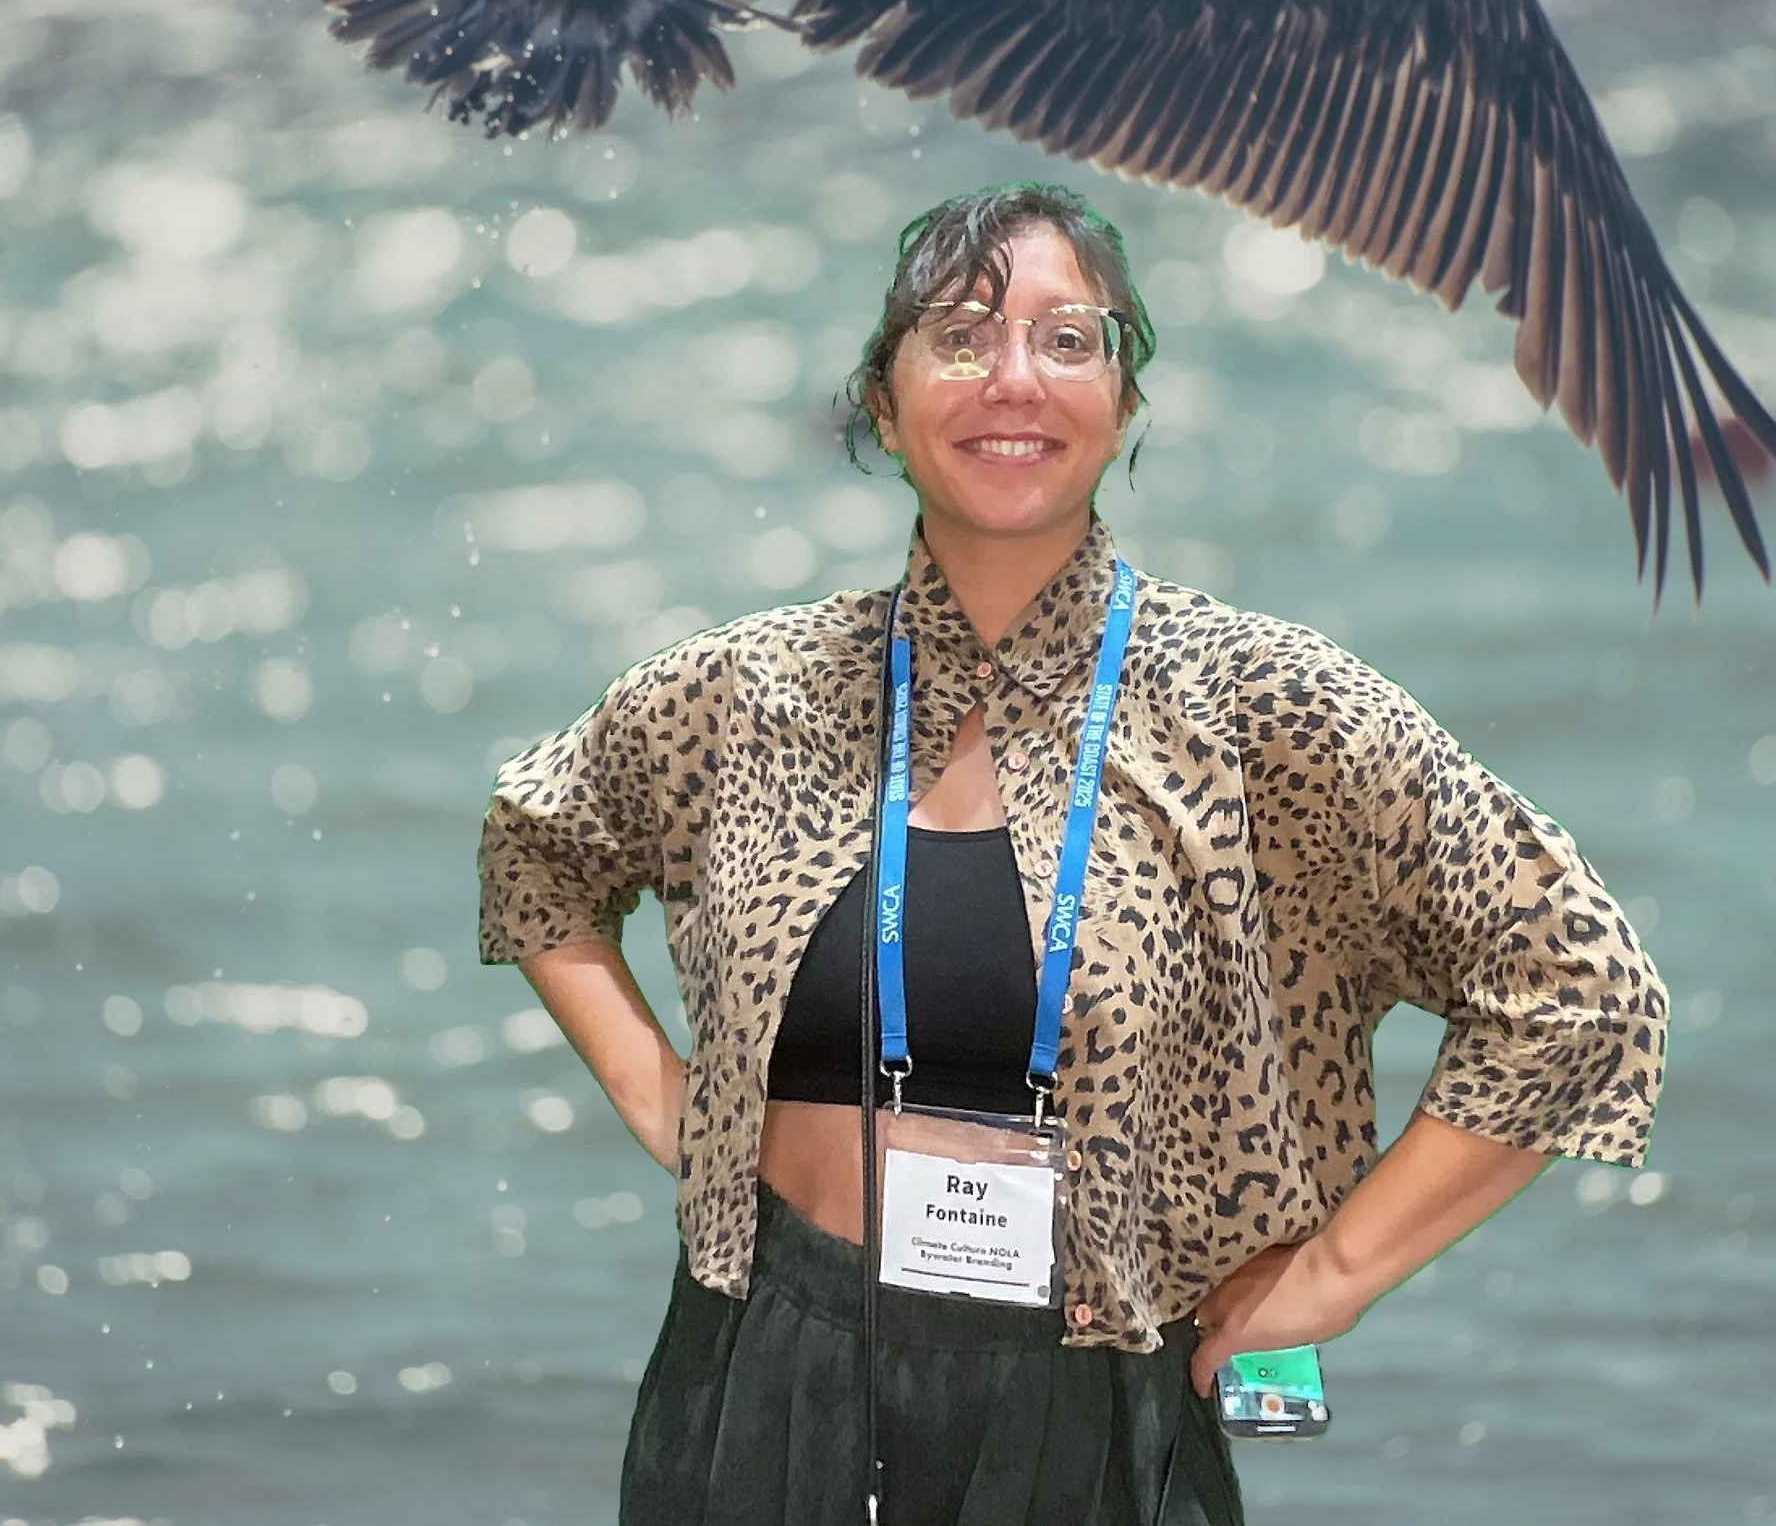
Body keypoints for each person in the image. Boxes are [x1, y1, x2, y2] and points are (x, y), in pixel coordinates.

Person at [478, 182, 1668, 1525]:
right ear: (882, 405)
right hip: (764, 1363)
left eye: (1066, 339)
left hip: (1092, 1394)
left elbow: (1582, 989)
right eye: (960, 336)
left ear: (1124, 402)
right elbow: (539, 846)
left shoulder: (1258, 706)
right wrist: (671, 1107)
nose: (1013, 378)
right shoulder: (753, 690)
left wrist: (1334, 1275)